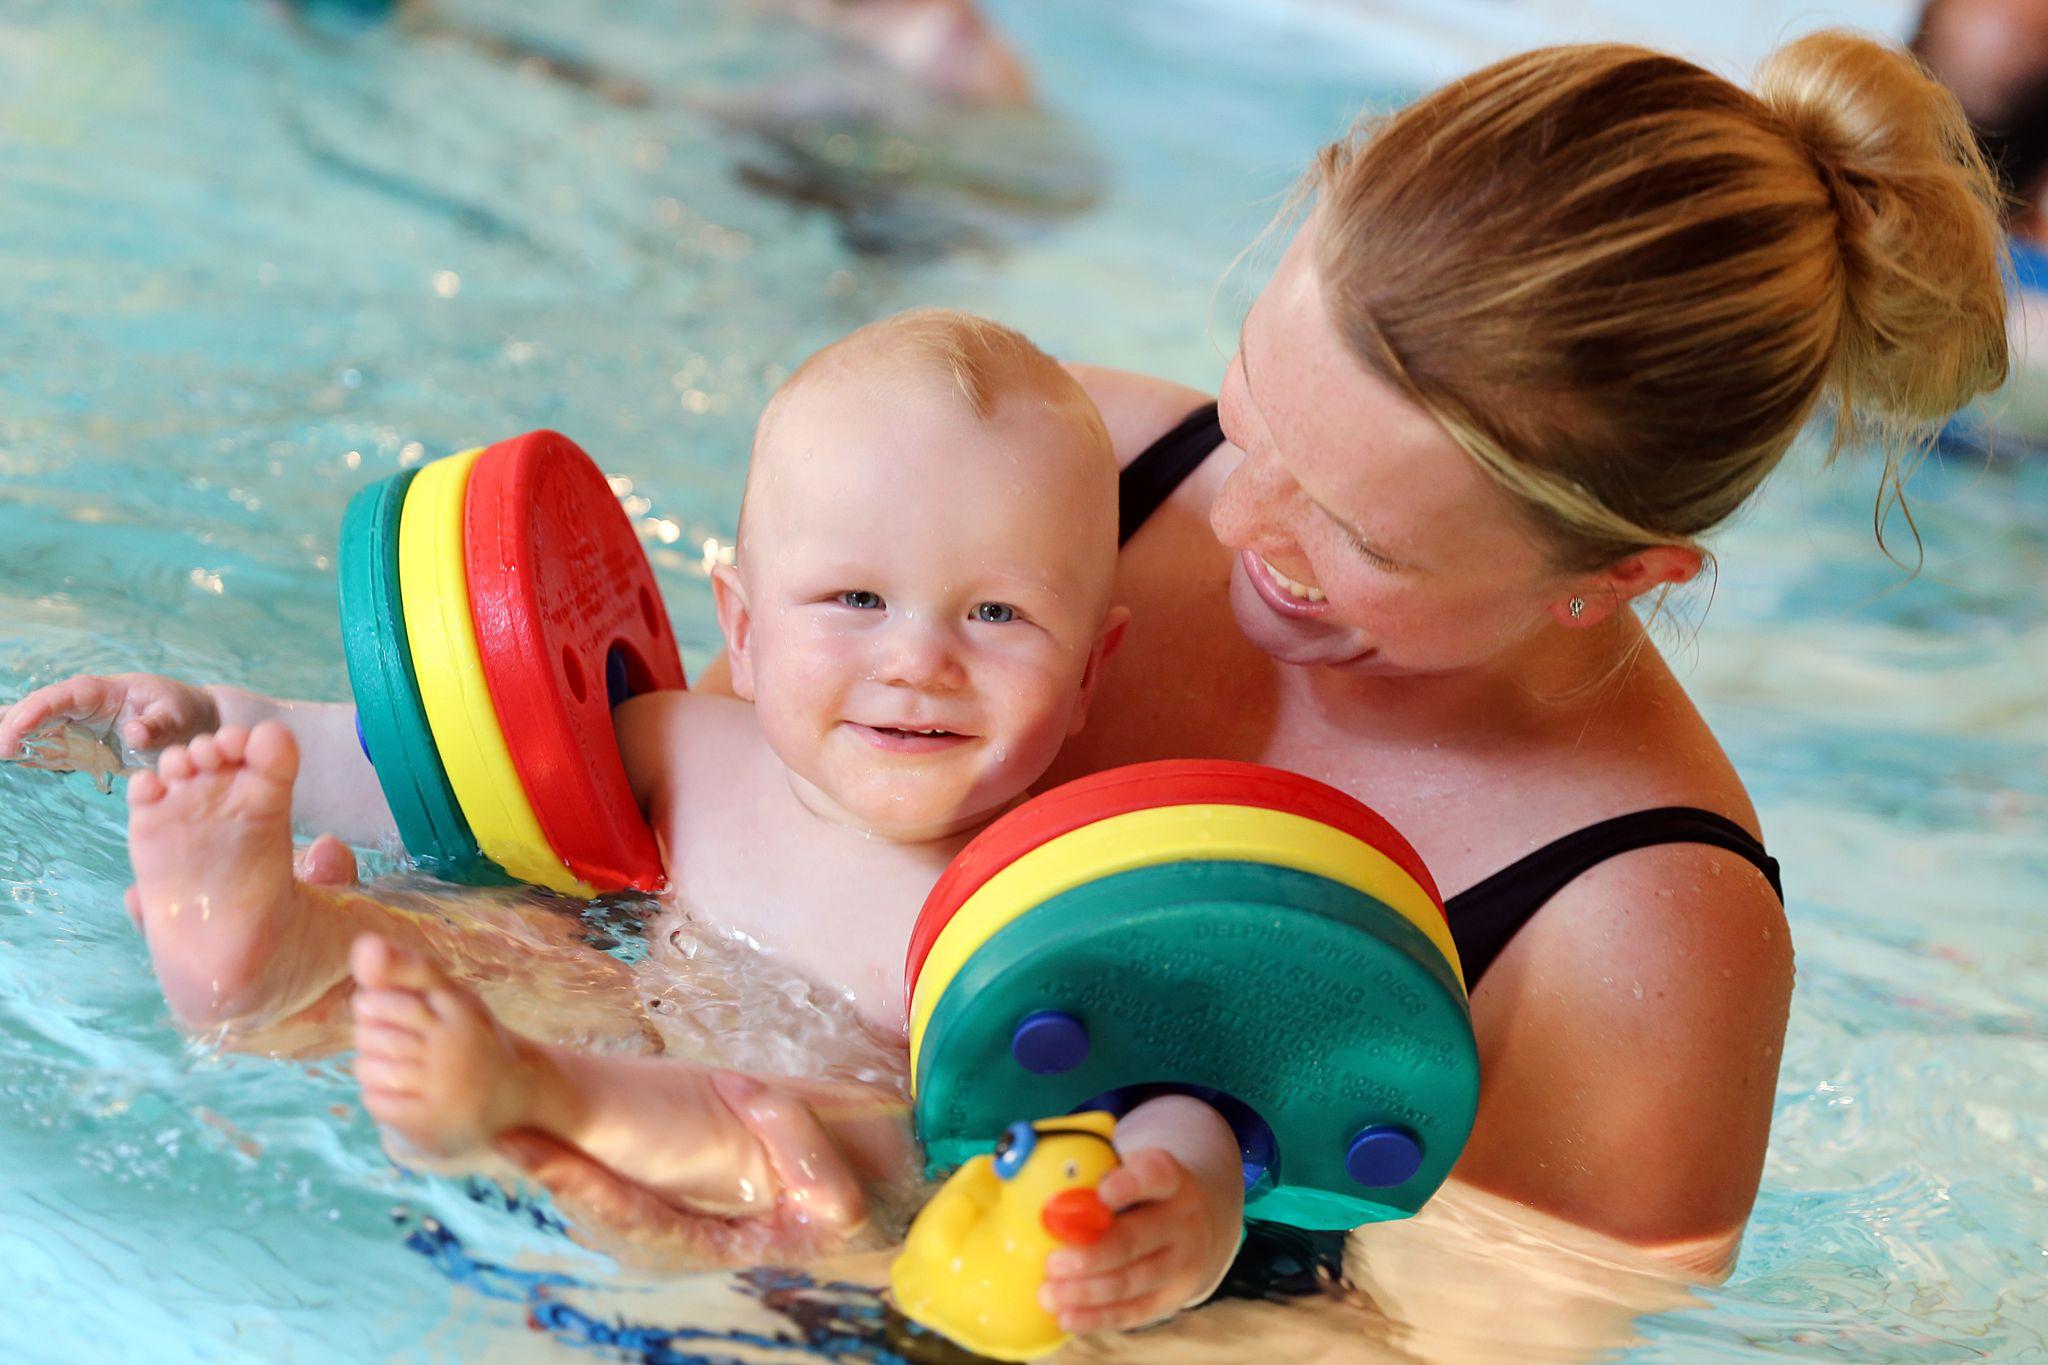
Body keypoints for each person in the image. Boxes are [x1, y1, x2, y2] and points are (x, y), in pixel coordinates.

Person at [668, 29, 2006, 1328]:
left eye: (1359, 538)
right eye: (1249, 414)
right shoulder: (1060, 469)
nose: (1235, 521)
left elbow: (1434, 1343)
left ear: (1619, 577)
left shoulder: (1639, 933)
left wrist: (1056, 1276)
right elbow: (659, 845)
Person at [0, 310, 1250, 1327]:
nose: (918, 660)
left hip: (788, 1208)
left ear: (1087, 672)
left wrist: (1185, 1210)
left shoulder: (1054, 896)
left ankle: (524, 1087)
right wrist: (204, 730)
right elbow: (414, 780)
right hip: (572, 1051)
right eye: (856, 599)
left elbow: (1174, 1085)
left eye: (996, 616)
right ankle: (274, 948)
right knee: (493, 939)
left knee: (826, 1131)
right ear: (742, 629)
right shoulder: (681, 751)